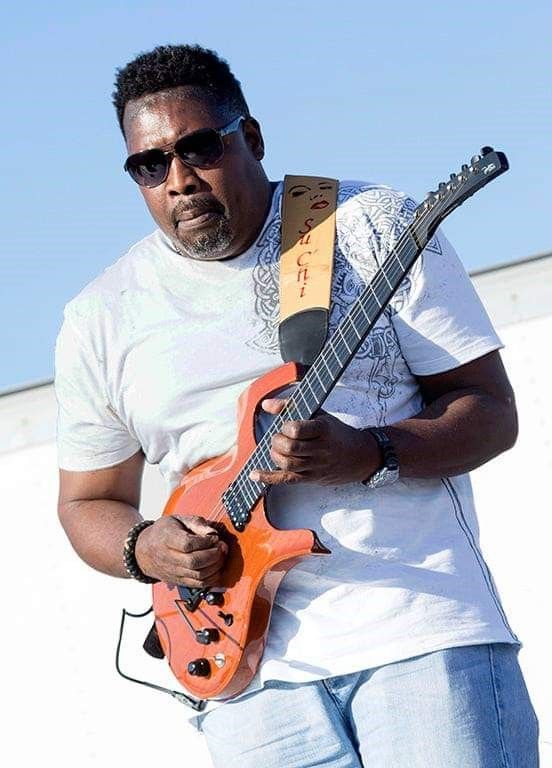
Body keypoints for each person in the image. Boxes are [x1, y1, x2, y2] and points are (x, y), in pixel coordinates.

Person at [55, 44, 539, 767]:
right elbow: (87, 502)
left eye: (199, 148)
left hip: (418, 633)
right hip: (245, 685)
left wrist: (369, 453)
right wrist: (146, 547)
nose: (179, 180)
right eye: (150, 165)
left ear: (250, 138)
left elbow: (491, 409)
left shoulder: (370, 225)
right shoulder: (100, 316)